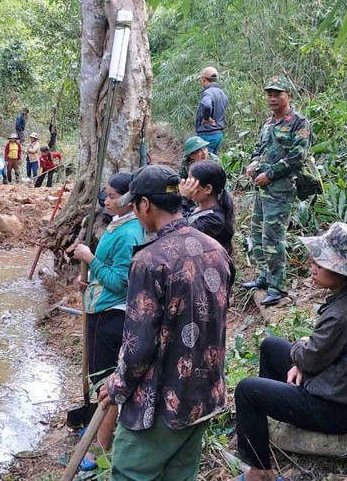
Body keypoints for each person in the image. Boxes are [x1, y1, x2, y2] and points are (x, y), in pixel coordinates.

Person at [98, 165, 234, 481]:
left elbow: (138, 346)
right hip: (204, 393)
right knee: (180, 475)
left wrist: (117, 385)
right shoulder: (215, 249)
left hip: (162, 401)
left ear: (144, 205)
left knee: (131, 472)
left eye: (134, 204)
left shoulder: (149, 261)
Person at [230, 223, 347, 481]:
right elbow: (314, 355)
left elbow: (308, 356)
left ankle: (260, 472)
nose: (312, 266)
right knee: (271, 346)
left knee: (247, 390)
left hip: (337, 410)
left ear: (340, 271)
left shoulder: (342, 315)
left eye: (320, 264)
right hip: (335, 387)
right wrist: (303, 357)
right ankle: (266, 426)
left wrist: (302, 350)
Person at [69, 172, 144, 470]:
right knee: (101, 375)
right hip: (100, 306)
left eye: (113, 196)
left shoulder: (128, 234)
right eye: (107, 194)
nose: (107, 200)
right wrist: (89, 278)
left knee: (105, 380)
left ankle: (99, 447)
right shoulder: (119, 225)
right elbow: (108, 272)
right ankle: (102, 432)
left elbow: (120, 282)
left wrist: (89, 259)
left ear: (129, 200)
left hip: (111, 314)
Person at [243, 75, 311, 306]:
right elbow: (259, 148)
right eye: (270, 94)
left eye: (277, 94)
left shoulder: (298, 123)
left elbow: (297, 157)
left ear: (288, 96)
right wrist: (253, 163)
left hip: (280, 190)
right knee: (258, 235)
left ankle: (277, 287)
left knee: (273, 238)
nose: (272, 98)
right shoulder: (268, 123)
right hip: (262, 190)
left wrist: (269, 173)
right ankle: (264, 278)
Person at [180, 160, 235, 255]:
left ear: (208, 189)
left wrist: (183, 198)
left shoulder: (215, 220)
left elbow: (180, 232)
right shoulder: (197, 208)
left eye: (192, 183)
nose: (188, 187)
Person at [195, 67, 228, 154]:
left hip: (207, 134)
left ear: (204, 79)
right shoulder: (222, 93)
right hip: (218, 134)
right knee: (212, 161)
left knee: (205, 164)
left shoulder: (208, 93)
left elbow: (206, 105)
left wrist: (206, 118)